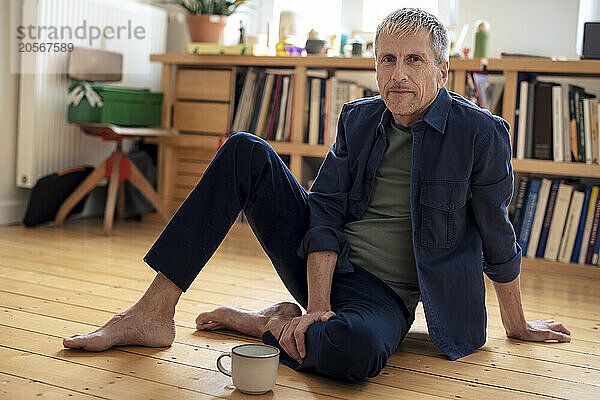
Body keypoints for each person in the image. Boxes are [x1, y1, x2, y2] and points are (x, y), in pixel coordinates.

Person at [63, 8, 571, 382]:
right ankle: (153, 313)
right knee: (244, 149)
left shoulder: (480, 133)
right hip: (322, 263)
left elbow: (495, 231)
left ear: (442, 70)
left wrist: (517, 322)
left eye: (415, 60)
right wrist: (318, 304)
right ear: (374, 68)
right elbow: (324, 209)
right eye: (387, 60)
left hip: (383, 295)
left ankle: (268, 322)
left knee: (355, 354)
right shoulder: (359, 119)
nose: (398, 74)